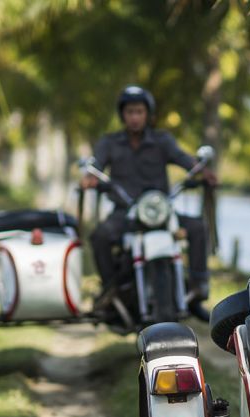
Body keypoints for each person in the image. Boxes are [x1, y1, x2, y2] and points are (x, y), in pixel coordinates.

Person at [82, 85, 218, 312]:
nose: (134, 117)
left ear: (148, 115)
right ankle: (110, 289)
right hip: (124, 212)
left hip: (160, 211)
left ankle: (197, 287)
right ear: (123, 115)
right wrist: (89, 178)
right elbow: (95, 166)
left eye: (139, 112)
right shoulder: (110, 142)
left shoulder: (161, 140)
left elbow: (184, 159)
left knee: (197, 227)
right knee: (100, 236)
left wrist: (203, 172)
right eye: (130, 112)